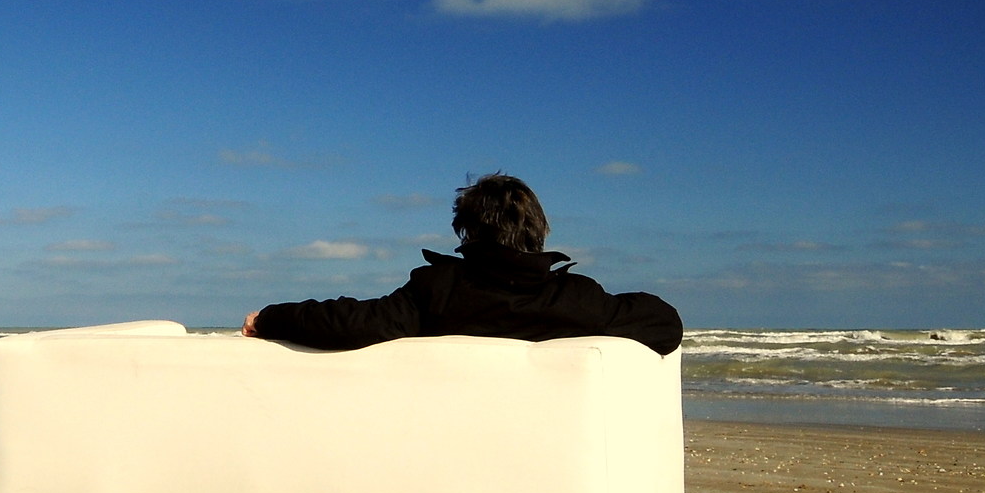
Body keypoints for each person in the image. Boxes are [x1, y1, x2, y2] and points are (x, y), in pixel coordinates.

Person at [242, 172, 682, 355]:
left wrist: (270, 318)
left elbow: (355, 322)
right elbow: (664, 323)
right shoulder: (578, 299)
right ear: (539, 231)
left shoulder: (440, 290)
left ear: (466, 232)